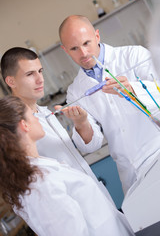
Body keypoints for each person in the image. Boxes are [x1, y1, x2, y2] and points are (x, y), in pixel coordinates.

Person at [0, 95, 135, 236]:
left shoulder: (43, 170)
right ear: (25, 125)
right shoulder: (41, 185)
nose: (36, 118)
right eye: (32, 114)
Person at [59, 15, 160, 194]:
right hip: (131, 176)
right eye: (74, 48)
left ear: (97, 36)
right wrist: (81, 123)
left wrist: (132, 89)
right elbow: (91, 146)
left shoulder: (134, 55)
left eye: (86, 43)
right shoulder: (75, 91)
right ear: (65, 50)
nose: (83, 53)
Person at [0, 47, 114, 203]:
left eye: (40, 71)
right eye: (30, 74)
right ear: (11, 81)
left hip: (93, 194)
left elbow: (89, 147)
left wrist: (81, 123)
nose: (40, 79)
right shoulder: (15, 128)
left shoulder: (45, 113)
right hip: (67, 205)